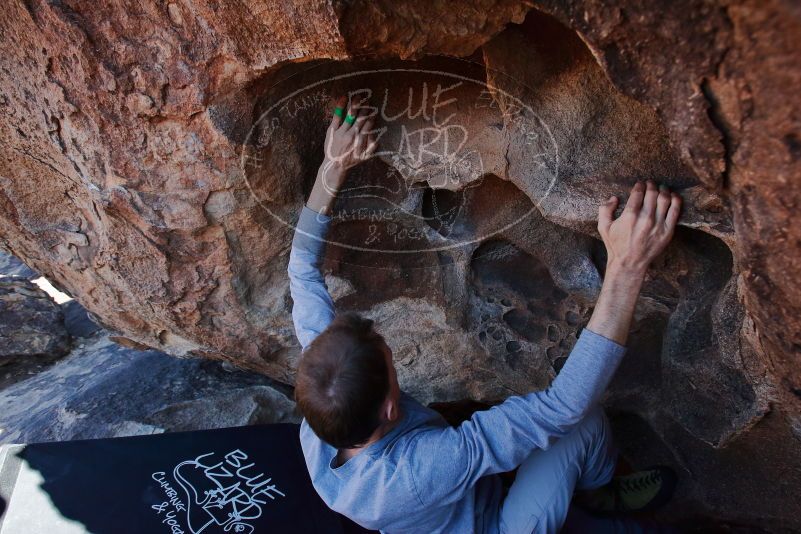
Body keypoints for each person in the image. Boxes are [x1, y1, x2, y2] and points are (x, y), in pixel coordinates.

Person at [287, 96, 683, 533]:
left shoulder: (325, 398)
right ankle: (598, 490)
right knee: (582, 424)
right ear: (389, 406)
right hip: (493, 526)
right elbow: (562, 409)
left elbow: (302, 271)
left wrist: (333, 164)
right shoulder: (423, 469)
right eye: (387, 357)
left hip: (453, 497)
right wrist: (626, 268)